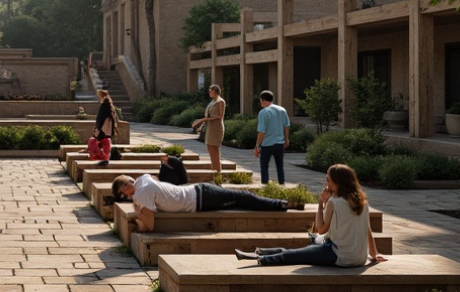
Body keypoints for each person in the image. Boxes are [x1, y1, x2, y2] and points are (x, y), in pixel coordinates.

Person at [235, 164, 387, 267]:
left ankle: (260, 259)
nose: (326, 183)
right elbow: (367, 230)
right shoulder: (362, 201)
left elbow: (320, 229)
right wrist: (374, 254)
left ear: (337, 183)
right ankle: (260, 251)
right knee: (303, 248)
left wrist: (321, 203)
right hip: (359, 257)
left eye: (328, 180)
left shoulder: (334, 202)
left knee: (295, 255)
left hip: (340, 255)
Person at [110, 173, 300, 233]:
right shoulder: (143, 184)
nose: (129, 183)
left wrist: (136, 219)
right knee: (240, 200)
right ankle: (280, 203)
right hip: (199, 193)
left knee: (242, 197)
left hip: (201, 197)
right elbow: (154, 179)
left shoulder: (142, 193)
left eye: (127, 181)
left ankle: (281, 204)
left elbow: (149, 227)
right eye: (125, 185)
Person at [253, 90, 290, 185]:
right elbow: (286, 126)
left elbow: (261, 131)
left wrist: (257, 145)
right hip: (279, 143)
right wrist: (286, 139)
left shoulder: (263, 112)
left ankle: (265, 186)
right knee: (280, 166)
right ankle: (282, 184)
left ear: (263, 100)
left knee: (264, 166)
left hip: (267, 144)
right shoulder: (282, 110)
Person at [191, 84, 226, 174]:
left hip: (216, 128)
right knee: (210, 148)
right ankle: (214, 171)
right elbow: (209, 115)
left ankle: (217, 173)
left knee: (215, 149)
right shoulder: (213, 101)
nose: (209, 92)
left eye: (211, 90)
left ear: (215, 91)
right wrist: (202, 125)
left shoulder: (220, 101)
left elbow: (219, 116)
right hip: (210, 127)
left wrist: (203, 119)